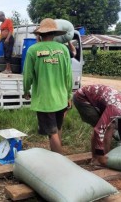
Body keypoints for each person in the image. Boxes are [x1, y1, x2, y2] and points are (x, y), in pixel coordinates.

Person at [23, 18, 73, 154]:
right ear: (55, 34)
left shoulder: (33, 50)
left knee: (52, 133)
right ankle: (57, 155)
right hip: (61, 97)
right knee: (58, 128)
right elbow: (69, 75)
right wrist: (69, 95)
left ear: (39, 34)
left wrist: (26, 90)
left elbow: (27, 75)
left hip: (45, 100)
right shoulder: (63, 49)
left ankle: (59, 162)